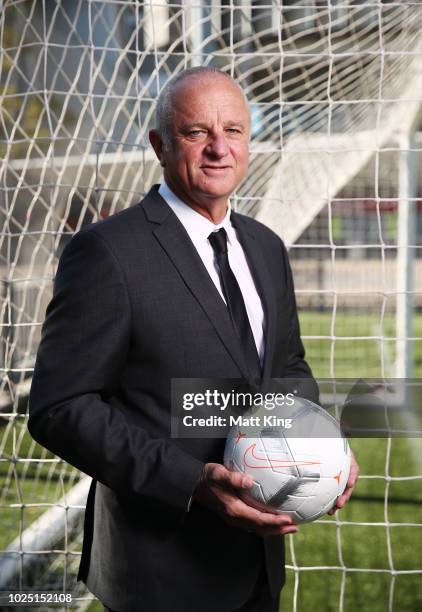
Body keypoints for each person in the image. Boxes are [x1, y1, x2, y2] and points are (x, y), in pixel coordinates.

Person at [28, 67, 359, 612]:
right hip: (159, 572)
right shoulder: (108, 252)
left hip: (257, 566)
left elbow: (289, 367)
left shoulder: (267, 247)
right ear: (159, 144)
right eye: (196, 133)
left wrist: (323, 446)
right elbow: (59, 407)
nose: (218, 149)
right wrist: (189, 482)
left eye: (233, 131)